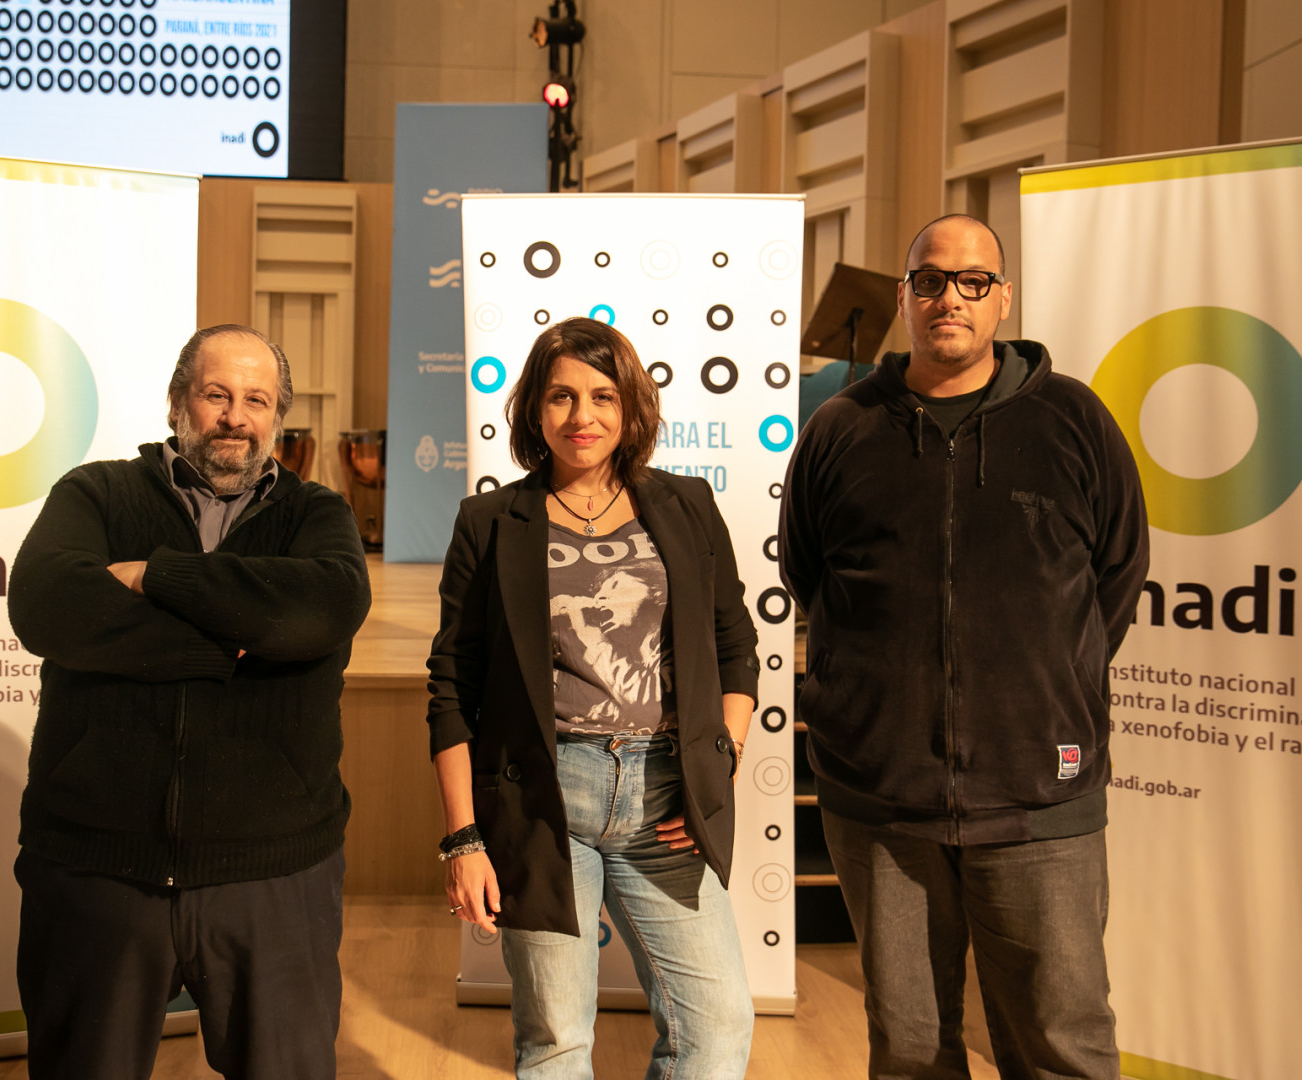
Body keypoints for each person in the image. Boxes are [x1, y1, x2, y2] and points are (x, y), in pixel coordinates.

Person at [779, 215, 1149, 1080]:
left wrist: (1048, 682)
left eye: (973, 281)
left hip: (1038, 799)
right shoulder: (840, 429)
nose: (952, 297)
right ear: (905, 296)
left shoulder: (1072, 421)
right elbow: (809, 575)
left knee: (1061, 1045)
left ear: (1003, 298)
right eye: (931, 280)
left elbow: (1118, 574)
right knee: (909, 1050)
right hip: (881, 802)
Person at [7, 324, 371, 1079]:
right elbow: (46, 605)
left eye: (257, 400)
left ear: (277, 418)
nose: (236, 416)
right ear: (179, 403)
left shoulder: (316, 515)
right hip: (98, 869)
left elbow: (322, 610)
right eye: (216, 395)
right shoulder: (96, 493)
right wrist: (234, 642)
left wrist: (155, 578)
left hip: (274, 875)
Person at [426, 317, 760, 1079]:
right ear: (534, 412)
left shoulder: (685, 505)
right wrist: (464, 840)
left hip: (666, 800)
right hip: (541, 800)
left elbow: (735, 645)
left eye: (603, 396)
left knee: (716, 1026)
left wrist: (720, 765)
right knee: (556, 1042)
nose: (583, 417)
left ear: (631, 407)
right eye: (561, 397)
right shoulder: (490, 522)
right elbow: (452, 688)